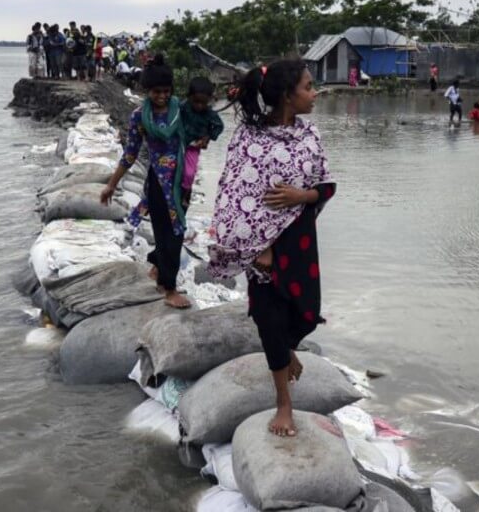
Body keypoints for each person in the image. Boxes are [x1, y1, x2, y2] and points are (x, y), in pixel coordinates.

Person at [207, 60, 336, 437]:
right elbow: (233, 194)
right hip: (258, 247)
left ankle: (287, 348)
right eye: (308, 87)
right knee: (270, 319)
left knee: (306, 314)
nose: (315, 93)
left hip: (299, 242)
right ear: (286, 95)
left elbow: (326, 186)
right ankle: (284, 404)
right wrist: (259, 248)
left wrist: (301, 195)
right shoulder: (248, 137)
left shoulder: (309, 135)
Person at [99, 56, 192, 309]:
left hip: (181, 181)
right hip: (158, 183)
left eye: (166, 91)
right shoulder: (140, 116)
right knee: (169, 233)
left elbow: (201, 127)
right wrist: (111, 184)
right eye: (156, 92)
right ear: (146, 91)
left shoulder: (181, 111)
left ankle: (158, 264)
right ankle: (168, 288)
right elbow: (130, 154)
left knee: (177, 231)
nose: (162, 96)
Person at [178, 76, 224, 211]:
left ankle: (185, 194)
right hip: (176, 144)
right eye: (196, 101)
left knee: (189, 174)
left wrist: (207, 137)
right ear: (189, 97)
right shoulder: (182, 107)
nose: (199, 106)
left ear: (209, 100)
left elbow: (219, 126)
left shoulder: (210, 114)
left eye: (203, 103)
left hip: (192, 147)